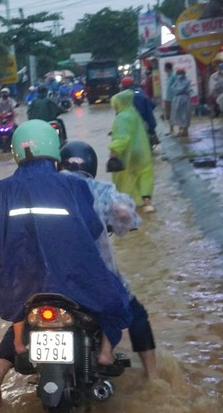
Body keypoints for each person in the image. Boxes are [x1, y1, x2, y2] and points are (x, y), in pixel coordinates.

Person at [0, 120, 132, 413]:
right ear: (52, 148)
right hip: (73, 276)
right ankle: (104, 352)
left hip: (24, 281)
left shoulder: (5, 188)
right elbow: (91, 227)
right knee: (116, 298)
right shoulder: (73, 184)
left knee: (18, 311)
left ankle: (15, 349)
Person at [59, 141, 157, 379]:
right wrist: (122, 219)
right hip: (94, 275)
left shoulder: (49, 189)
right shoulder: (100, 189)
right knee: (134, 312)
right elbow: (124, 214)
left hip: (52, 275)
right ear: (91, 165)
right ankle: (151, 376)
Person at [109, 90, 155, 212]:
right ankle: (147, 203)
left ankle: (127, 206)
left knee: (127, 179)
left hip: (128, 154)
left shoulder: (121, 117)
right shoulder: (134, 113)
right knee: (144, 175)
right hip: (143, 152)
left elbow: (122, 138)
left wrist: (113, 150)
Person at [122, 76, 158, 144]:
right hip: (147, 120)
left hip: (134, 122)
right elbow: (152, 105)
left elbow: (120, 112)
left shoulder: (124, 96)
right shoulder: (140, 91)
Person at [169, 68, 193, 137]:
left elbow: (178, 89)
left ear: (184, 74)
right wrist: (178, 91)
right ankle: (181, 129)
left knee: (185, 115)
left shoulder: (187, 81)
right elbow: (172, 89)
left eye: (181, 73)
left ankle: (185, 130)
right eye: (178, 74)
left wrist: (178, 90)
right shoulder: (176, 81)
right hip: (176, 100)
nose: (179, 75)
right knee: (178, 115)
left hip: (184, 100)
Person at [162, 61, 175, 134]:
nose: (164, 69)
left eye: (165, 68)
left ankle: (175, 128)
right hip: (168, 98)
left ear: (167, 68)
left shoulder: (173, 76)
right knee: (168, 115)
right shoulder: (169, 76)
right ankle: (171, 128)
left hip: (172, 98)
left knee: (174, 114)